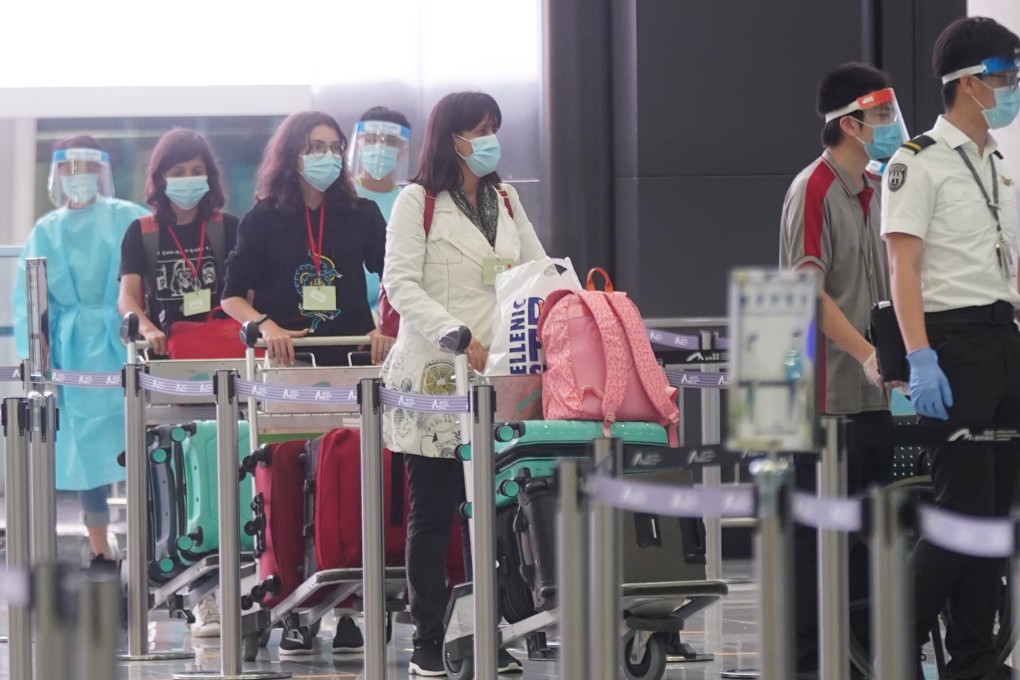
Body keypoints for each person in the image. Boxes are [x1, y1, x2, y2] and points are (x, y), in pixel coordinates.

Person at [380, 91, 546, 676]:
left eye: (494, 127)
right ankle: (429, 637)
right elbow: (400, 284)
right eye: (480, 128)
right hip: (434, 370)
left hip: (499, 372)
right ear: (451, 138)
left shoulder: (506, 198)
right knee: (435, 511)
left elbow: (537, 269)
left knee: (497, 511)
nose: (490, 138)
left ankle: (488, 633)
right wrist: (453, 333)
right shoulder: (416, 201)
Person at [220, 110, 392, 655]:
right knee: (291, 479)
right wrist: (267, 328)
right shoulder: (263, 219)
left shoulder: (360, 213)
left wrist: (389, 328)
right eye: (314, 146)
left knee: (355, 478)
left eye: (334, 146)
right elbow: (232, 295)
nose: (326, 156)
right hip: (289, 368)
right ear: (291, 154)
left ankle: (349, 603)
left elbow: (397, 278)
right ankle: (294, 605)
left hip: (352, 360)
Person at [882, 17, 1020, 680]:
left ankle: (974, 658)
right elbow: (903, 269)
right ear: (970, 82)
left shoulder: (997, 164)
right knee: (961, 508)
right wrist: (920, 355)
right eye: (1007, 75)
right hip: (952, 342)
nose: (1015, 86)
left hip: (1002, 337)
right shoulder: (918, 162)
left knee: (995, 513)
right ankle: (895, 644)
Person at [779, 62, 904, 678]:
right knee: (814, 542)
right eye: (881, 115)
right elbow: (807, 290)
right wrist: (864, 352)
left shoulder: (878, 188)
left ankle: (856, 657)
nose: (890, 124)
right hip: (824, 397)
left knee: (864, 539)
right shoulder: (815, 188)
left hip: (876, 399)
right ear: (850, 123)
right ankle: (809, 662)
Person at [117, 128, 239, 638]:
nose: (188, 181)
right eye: (178, 171)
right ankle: (198, 591)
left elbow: (243, 294)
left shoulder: (227, 228)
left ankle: (223, 589)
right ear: (160, 177)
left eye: (196, 171)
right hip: (169, 368)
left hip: (225, 368)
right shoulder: (141, 231)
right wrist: (145, 326)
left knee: (225, 473)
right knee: (183, 479)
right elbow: (128, 298)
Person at [12, 136, 150, 572]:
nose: (79, 176)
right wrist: (37, 351)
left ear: (102, 170)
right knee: (86, 446)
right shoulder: (46, 230)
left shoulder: (129, 217)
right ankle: (99, 546)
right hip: (71, 349)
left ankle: (154, 540)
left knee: (142, 438)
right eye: (69, 168)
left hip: (125, 336)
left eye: (87, 166)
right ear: (56, 174)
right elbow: (28, 300)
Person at [348, 106, 413, 315]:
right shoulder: (340, 199)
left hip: (396, 316)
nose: (379, 148)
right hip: (344, 317)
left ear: (403, 150)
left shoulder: (411, 202)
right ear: (358, 145)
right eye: (371, 139)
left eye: (390, 142)